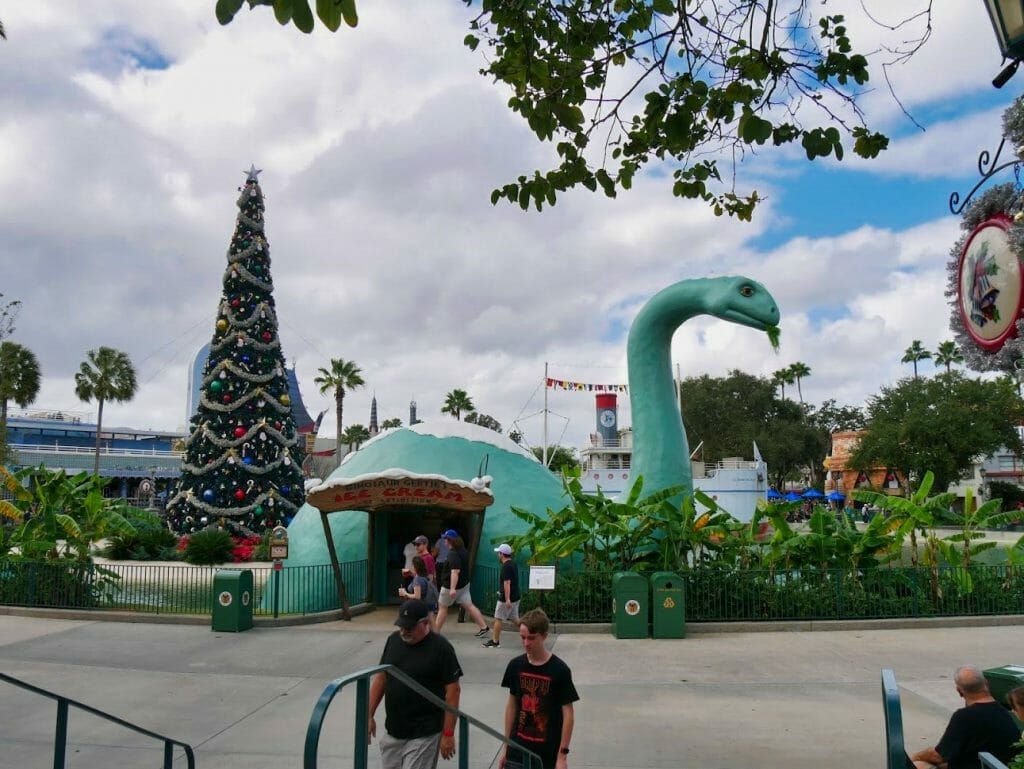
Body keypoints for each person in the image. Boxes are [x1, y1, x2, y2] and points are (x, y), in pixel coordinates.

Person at [368, 599, 463, 769]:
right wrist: (368, 714)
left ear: (425, 623)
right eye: (401, 626)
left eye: (409, 627)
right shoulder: (393, 641)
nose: (404, 631)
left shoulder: (441, 648)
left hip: (425, 733)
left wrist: (448, 733)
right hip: (394, 731)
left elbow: (453, 691)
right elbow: (381, 678)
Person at [498, 608, 578, 769]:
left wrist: (562, 756)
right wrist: (506, 747)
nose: (526, 643)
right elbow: (512, 705)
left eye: (532, 638)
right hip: (517, 750)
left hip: (546, 753)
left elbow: (568, 713)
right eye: (523, 638)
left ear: (544, 636)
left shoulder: (560, 670)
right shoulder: (515, 666)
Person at [909, 665, 1021, 769]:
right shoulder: (1003, 712)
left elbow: (938, 756)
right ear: (986, 684)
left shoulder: (964, 717)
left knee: (918, 765)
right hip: (993, 764)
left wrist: (916, 756)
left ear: (959, 691)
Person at [434, 529, 489, 636]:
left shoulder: (452, 554)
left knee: (443, 607)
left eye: (445, 538)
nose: (444, 540)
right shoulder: (463, 551)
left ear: (449, 541)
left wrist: (453, 588)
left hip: (450, 587)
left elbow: (455, 571)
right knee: (469, 606)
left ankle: (435, 633)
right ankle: (484, 627)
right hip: (464, 585)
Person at [483, 543, 520, 649]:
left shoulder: (506, 567)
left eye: (499, 553)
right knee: (514, 618)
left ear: (502, 554)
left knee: (498, 618)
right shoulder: (513, 564)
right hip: (516, 596)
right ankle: (530, 631)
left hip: (507, 598)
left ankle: (495, 641)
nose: (498, 555)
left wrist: (507, 598)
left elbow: (507, 583)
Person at [400, 556, 439, 630]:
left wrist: (405, 593)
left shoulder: (417, 580)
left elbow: (417, 596)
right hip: (429, 604)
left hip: (421, 605)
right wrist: (411, 574)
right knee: (432, 625)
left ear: (415, 567)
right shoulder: (424, 576)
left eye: (412, 565)